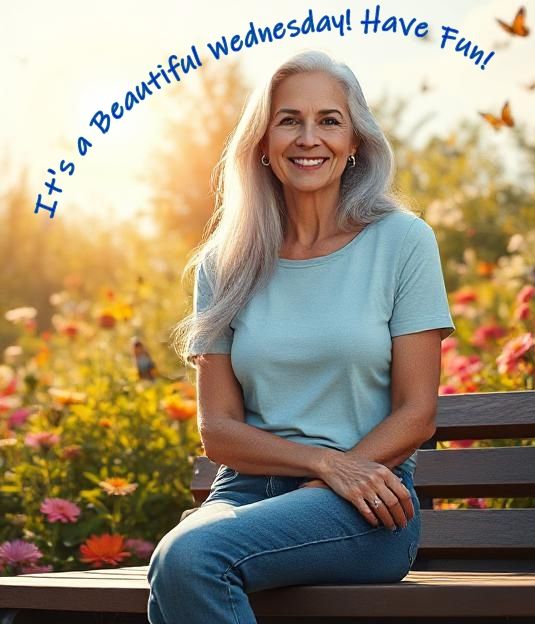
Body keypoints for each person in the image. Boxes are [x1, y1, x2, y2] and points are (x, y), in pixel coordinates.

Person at [147, 48, 456, 624]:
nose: (308, 137)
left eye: (329, 120)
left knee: (189, 559)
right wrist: (323, 462)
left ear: (355, 141)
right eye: (288, 120)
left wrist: (340, 475)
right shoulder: (225, 261)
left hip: (366, 504)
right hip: (244, 495)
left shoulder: (403, 242)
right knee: (177, 563)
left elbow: (417, 413)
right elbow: (218, 430)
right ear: (262, 143)